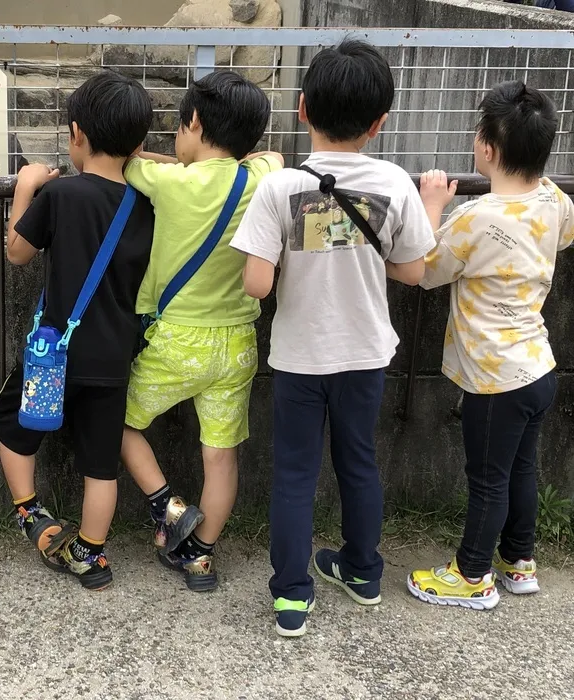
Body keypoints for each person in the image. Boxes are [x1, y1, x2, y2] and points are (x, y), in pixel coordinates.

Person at [230, 39, 436, 636]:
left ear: (301, 108)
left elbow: (256, 285)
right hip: (365, 352)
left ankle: (292, 596)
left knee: (295, 474)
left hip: (299, 355)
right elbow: (415, 271)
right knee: (359, 464)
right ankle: (363, 572)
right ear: (379, 122)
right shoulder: (396, 185)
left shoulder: (279, 189)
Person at [408, 81, 574, 609]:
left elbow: (424, 270)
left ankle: (472, 576)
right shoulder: (554, 198)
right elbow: (562, 235)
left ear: (486, 148)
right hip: (536, 366)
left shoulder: (476, 218)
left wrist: (431, 204)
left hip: (494, 376)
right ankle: (518, 561)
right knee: (521, 468)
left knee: (487, 478)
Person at [120, 70, 284, 593]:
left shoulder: (170, 183)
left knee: (114, 420)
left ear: (193, 121)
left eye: (178, 129)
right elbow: (273, 158)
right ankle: (199, 557)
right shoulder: (260, 179)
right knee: (220, 455)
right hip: (237, 343)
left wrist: (170, 160)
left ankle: (168, 506)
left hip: (178, 343)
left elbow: (124, 163)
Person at [0, 71, 155, 590]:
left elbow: (17, 253)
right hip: (114, 358)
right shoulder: (147, 205)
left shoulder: (62, 196)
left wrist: (24, 187)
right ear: (140, 144)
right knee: (100, 465)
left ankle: (29, 511)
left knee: (13, 425)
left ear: (76, 134)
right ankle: (91, 555)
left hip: (54, 355)